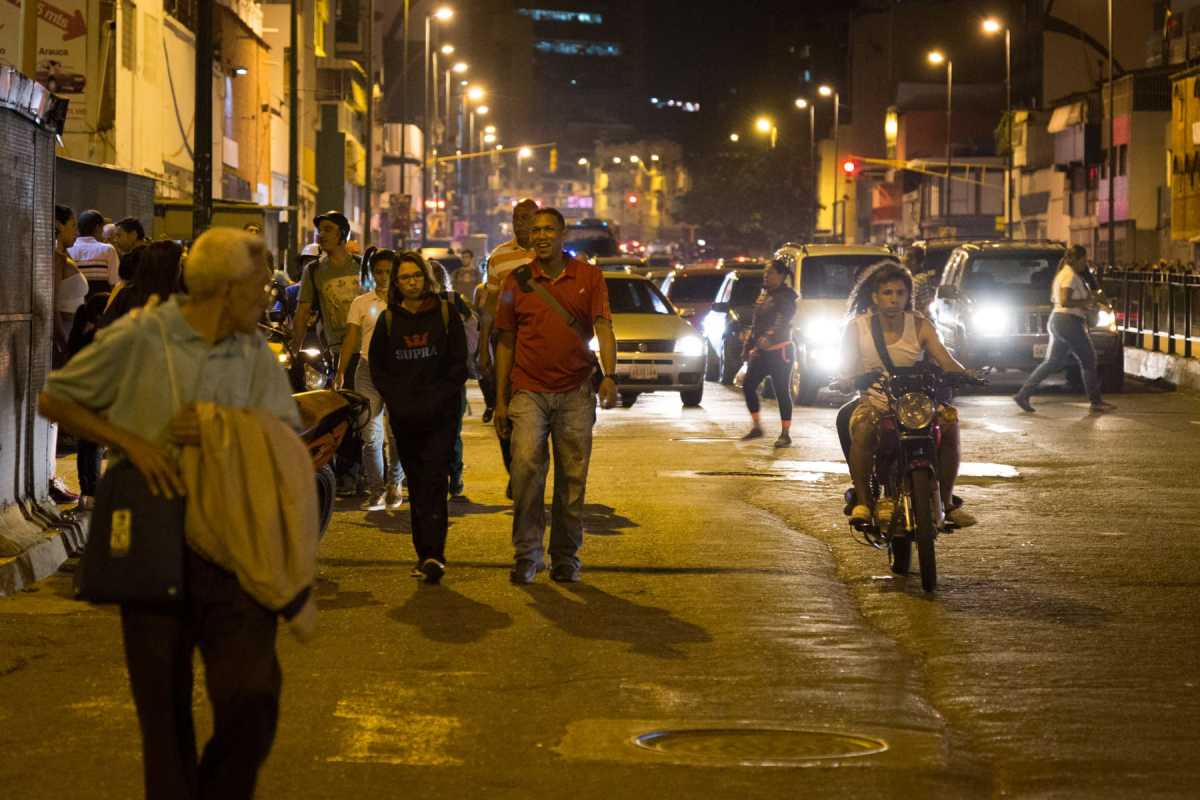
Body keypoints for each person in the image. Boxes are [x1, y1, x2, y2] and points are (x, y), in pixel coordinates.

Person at [38, 228, 302, 800]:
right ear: (227, 287)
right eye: (260, 285)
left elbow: (287, 438)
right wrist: (130, 443)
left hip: (233, 544)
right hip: (155, 539)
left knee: (253, 697)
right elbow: (56, 398)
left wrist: (227, 430)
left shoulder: (254, 351)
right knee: (163, 716)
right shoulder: (142, 336)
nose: (268, 296)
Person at [493, 207, 618, 585]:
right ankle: (527, 555)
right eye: (535, 230)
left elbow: (603, 326)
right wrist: (501, 399)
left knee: (572, 479)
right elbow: (505, 340)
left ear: (563, 234)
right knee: (525, 470)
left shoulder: (589, 277)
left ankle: (565, 557)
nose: (541, 236)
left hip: (576, 391)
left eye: (549, 229)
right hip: (528, 391)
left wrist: (609, 375)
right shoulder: (515, 282)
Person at [835, 260, 975, 529]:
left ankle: (947, 502)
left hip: (917, 404)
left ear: (908, 295)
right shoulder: (857, 327)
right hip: (875, 402)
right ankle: (863, 502)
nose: (894, 299)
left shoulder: (921, 325)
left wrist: (967, 374)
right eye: (887, 292)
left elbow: (945, 359)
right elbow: (845, 368)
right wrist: (845, 380)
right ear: (875, 296)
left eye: (900, 293)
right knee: (862, 426)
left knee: (950, 422)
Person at [370, 251, 468, 584]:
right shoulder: (388, 320)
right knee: (417, 482)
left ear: (425, 278)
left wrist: (439, 398)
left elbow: (458, 363)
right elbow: (379, 369)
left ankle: (434, 555)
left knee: (435, 481)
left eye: (416, 276)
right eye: (404, 277)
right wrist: (399, 401)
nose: (411, 282)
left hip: (441, 415)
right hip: (406, 416)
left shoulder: (445, 313)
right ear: (396, 283)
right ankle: (423, 552)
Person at [336, 248, 405, 512]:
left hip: (398, 372)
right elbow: (351, 339)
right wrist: (341, 371)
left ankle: (395, 484)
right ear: (371, 273)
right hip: (366, 371)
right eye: (378, 271)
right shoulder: (361, 303)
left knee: (396, 433)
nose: (383, 276)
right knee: (370, 435)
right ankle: (377, 491)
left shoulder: (405, 302)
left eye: (388, 271)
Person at [1014, 245, 1116, 414]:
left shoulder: (1065, 274)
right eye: (1083, 260)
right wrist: (1087, 302)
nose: (1085, 263)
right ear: (1076, 259)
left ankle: (1023, 394)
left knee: (1052, 362)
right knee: (1089, 360)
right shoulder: (1069, 276)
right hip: (1069, 322)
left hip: (1060, 320)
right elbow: (1065, 300)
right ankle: (1096, 401)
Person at [478, 199, 538, 431]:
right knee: (507, 394)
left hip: (540, 339)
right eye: (515, 218)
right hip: (506, 339)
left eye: (525, 218)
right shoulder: (499, 256)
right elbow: (490, 305)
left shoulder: (547, 254)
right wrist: (483, 348)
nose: (519, 223)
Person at [48, 205, 87, 505]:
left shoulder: (64, 257)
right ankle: (49, 476)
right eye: (72, 225)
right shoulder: (54, 259)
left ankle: (50, 475)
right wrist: (63, 341)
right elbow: (51, 304)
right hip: (63, 339)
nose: (76, 231)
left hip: (71, 338)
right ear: (58, 226)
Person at [741, 259, 797, 447]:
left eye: (771, 272)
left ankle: (785, 434)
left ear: (781, 276)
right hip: (762, 353)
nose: (766, 276)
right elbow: (756, 324)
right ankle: (757, 426)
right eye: (765, 272)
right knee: (748, 385)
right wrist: (748, 347)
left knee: (781, 390)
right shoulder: (765, 295)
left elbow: (782, 319)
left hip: (780, 352)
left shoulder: (787, 297)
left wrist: (769, 337)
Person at [291, 210, 362, 358]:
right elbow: (302, 314)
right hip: (336, 351)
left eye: (328, 229)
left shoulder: (361, 265)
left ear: (342, 234)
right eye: (320, 230)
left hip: (367, 351)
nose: (321, 235)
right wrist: (295, 352)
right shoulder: (313, 270)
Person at [68, 209, 120, 296]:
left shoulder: (69, 249)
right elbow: (114, 282)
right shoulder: (107, 250)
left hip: (76, 301)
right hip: (101, 301)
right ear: (97, 227)